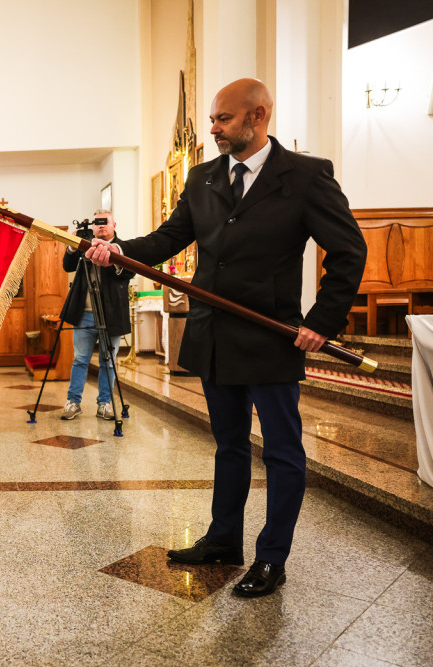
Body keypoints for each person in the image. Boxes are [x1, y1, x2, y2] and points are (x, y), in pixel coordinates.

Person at [87, 79, 366, 597]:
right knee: (229, 446)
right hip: (214, 333)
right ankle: (222, 539)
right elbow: (170, 238)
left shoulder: (305, 176)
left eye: (223, 119)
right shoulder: (203, 178)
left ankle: (272, 557)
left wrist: (323, 321)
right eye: (213, 119)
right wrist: (119, 248)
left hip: (270, 337)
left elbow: (349, 251)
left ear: (257, 115)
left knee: (282, 451)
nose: (212, 128)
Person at [61, 211, 134, 421]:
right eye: (98, 223)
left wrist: (113, 257)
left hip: (111, 315)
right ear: (92, 226)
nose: (101, 226)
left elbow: (130, 273)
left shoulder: (123, 247)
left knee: (108, 361)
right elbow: (67, 266)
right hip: (84, 314)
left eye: (105, 222)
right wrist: (72, 246)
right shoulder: (85, 245)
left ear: (114, 224)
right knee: (80, 359)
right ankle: (73, 402)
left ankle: (105, 403)